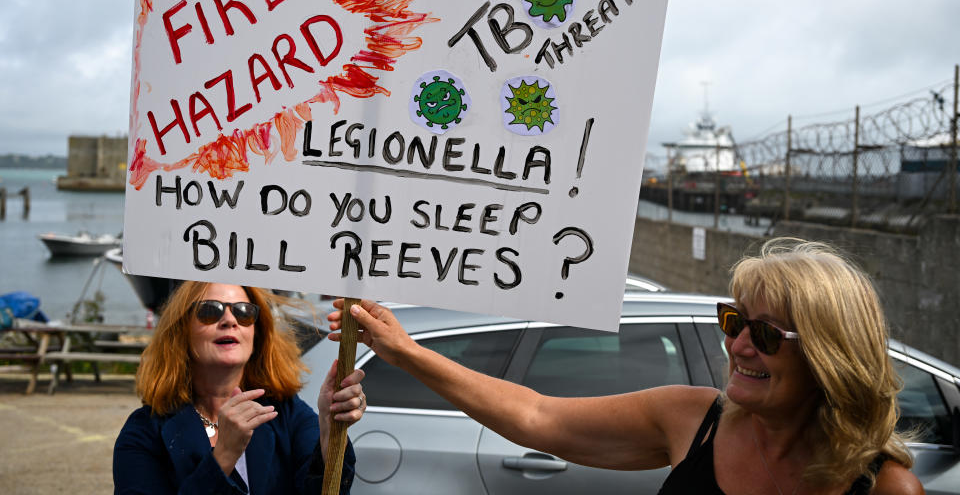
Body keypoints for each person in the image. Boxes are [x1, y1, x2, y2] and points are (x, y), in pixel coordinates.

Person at [328, 238, 924, 495]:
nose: (740, 346)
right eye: (734, 321)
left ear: (829, 355)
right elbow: (538, 416)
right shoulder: (693, 421)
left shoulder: (887, 487)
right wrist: (404, 351)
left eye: (766, 334)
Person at [114, 281, 365, 494]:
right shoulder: (144, 431)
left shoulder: (288, 414)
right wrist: (223, 457)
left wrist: (331, 434)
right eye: (210, 311)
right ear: (181, 331)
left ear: (257, 333)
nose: (229, 320)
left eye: (244, 312)